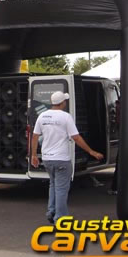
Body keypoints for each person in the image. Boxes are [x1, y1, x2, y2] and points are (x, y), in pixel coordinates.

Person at [31, 90, 104, 224]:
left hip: (47, 158)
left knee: (53, 185)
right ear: (62, 103)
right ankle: (60, 218)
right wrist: (91, 152)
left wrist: (34, 155)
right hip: (61, 159)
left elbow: (35, 136)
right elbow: (76, 137)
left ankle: (51, 211)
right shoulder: (65, 117)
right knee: (61, 189)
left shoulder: (42, 116)